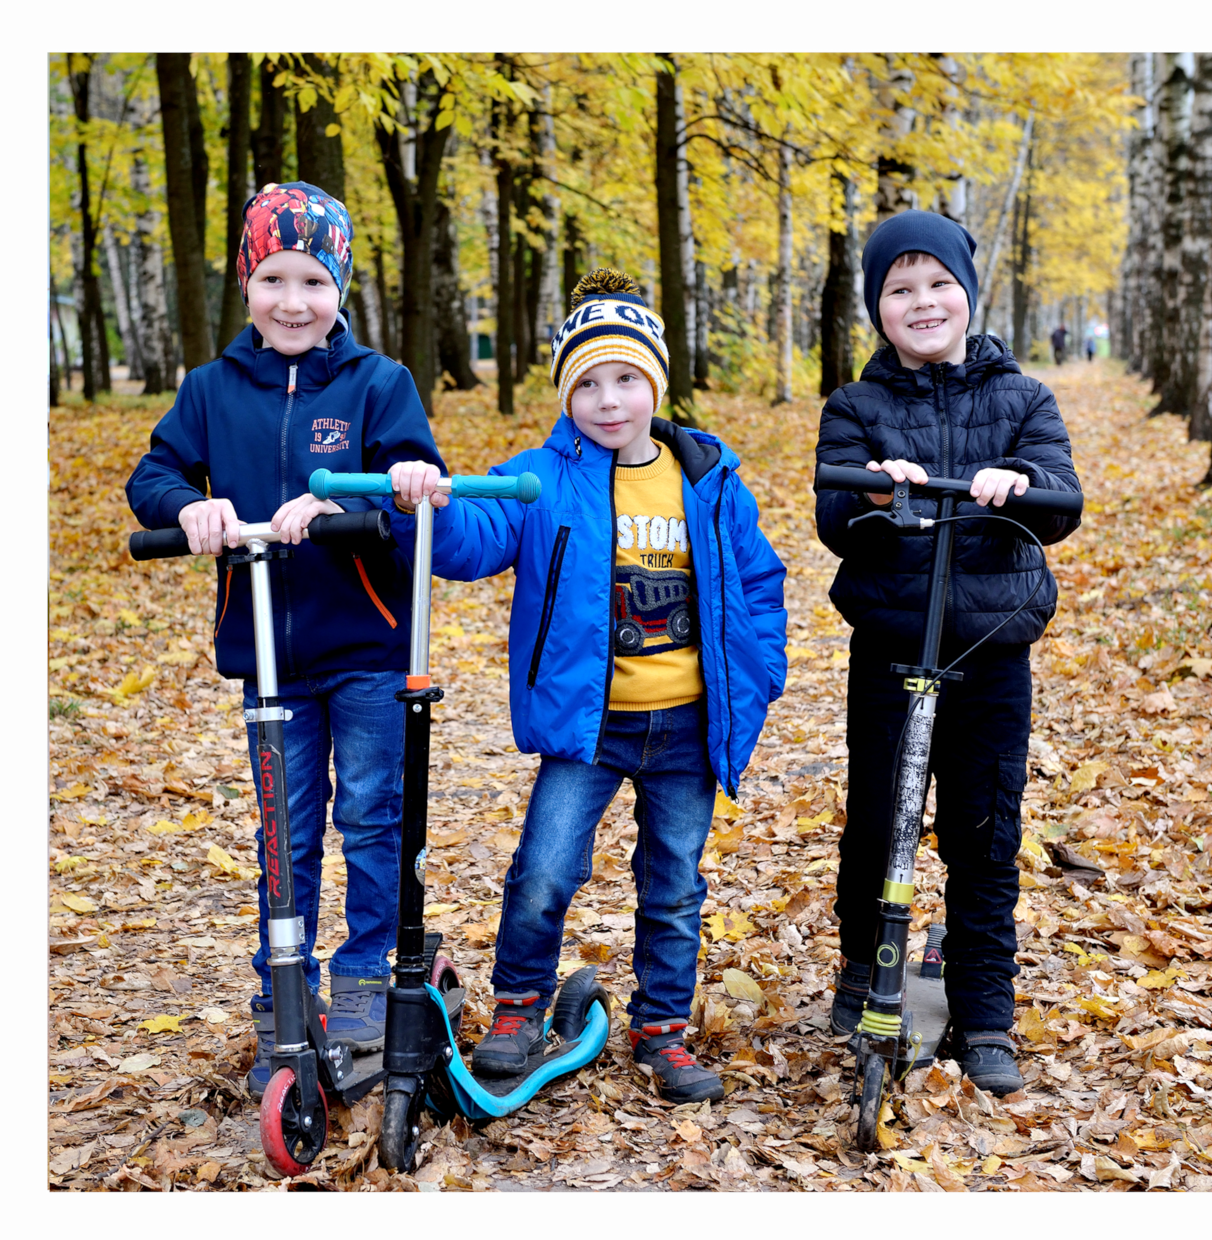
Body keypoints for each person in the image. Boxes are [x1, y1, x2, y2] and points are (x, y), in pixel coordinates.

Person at [385, 270, 787, 1104]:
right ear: (567, 395)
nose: (609, 400)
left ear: (655, 384)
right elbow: (470, 538)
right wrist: (422, 499)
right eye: (588, 383)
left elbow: (759, 581)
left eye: (626, 379)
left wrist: (761, 672)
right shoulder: (544, 477)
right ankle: (520, 1007)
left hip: (687, 724)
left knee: (673, 883)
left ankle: (662, 1032)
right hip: (587, 727)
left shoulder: (708, 477)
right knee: (544, 870)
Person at [125, 182, 442, 1091]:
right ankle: (285, 981)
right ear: (247, 284)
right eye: (273, 278)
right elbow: (155, 474)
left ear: (340, 285)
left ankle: (362, 973)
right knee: (283, 825)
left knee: (373, 812)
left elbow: (411, 480)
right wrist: (193, 506)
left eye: (312, 279)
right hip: (267, 651)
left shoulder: (380, 383)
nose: (293, 301)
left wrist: (342, 496)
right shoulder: (211, 390)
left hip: (369, 649)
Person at [813, 209, 1081, 1097]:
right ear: (877, 309)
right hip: (891, 647)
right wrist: (877, 499)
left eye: (938, 285)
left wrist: (1021, 486)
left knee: (983, 831)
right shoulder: (856, 407)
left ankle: (983, 1010)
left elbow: (1059, 500)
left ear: (968, 292)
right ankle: (865, 969)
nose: (922, 302)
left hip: (991, 650)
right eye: (900, 290)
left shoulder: (1023, 399)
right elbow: (834, 519)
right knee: (878, 818)